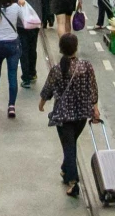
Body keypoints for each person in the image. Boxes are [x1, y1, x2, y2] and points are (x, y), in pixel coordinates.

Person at [39, 30, 102, 196]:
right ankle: (65, 169)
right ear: (76, 48)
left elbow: (48, 88)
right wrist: (95, 107)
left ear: (60, 48)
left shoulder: (57, 69)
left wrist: (42, 102)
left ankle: (73, 182)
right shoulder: (86, 66)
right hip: (82, 113)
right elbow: (93, 88)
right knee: (71, 144)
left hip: (64, 115)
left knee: (69, 147)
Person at [0, 0, 35, 115]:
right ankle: (11, 106)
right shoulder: (15, 7)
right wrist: (23, 4)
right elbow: (26, 20)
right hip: (13, 44)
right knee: (12, 75)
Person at [13, 0, 49, 88]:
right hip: (35, 22)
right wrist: (44, 20)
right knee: (32, 47)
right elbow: (45, 4)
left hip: (20, 23)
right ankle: (33, 72)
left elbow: (11, 3)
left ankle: (26, 77)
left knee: (23, 48)